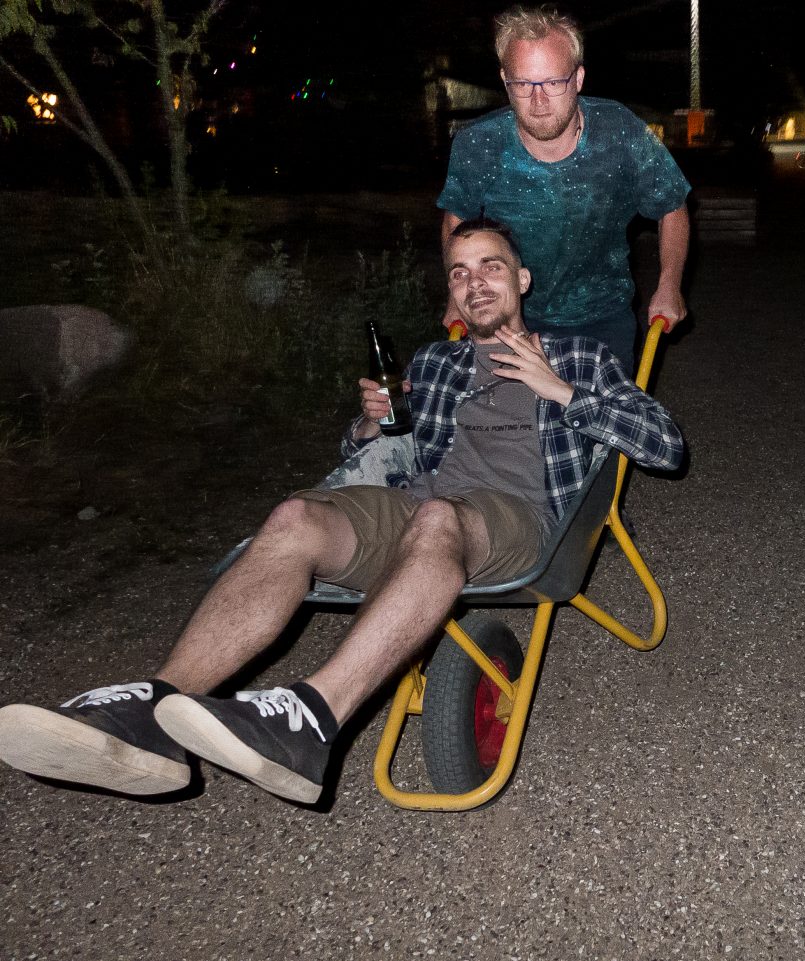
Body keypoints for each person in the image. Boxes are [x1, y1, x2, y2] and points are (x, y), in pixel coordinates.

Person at [0, 217, 684, 805]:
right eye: (459, 272)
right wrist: (370, 425)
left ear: (522, 280)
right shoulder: (436, 363)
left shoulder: (578, 356)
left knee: (438, 519)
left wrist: (559, 391)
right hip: (420, 509)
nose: (474, 283)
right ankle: (153, 714)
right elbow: (389, 452)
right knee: (295, 517)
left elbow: (663, 444)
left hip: (521, 522)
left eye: (491, 267)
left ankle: (311, 721)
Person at [436, 4, 692, 372]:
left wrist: (669, 284)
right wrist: (456, 296)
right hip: (508, 317)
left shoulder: (620, 130)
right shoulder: (478, 143)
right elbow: (456, 219)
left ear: (578, 78)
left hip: (603, 316)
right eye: (523, 84)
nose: (538, 101)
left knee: (600, 409)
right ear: (505, 80)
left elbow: (671, 205)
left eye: (554, 82)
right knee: (510, 410)